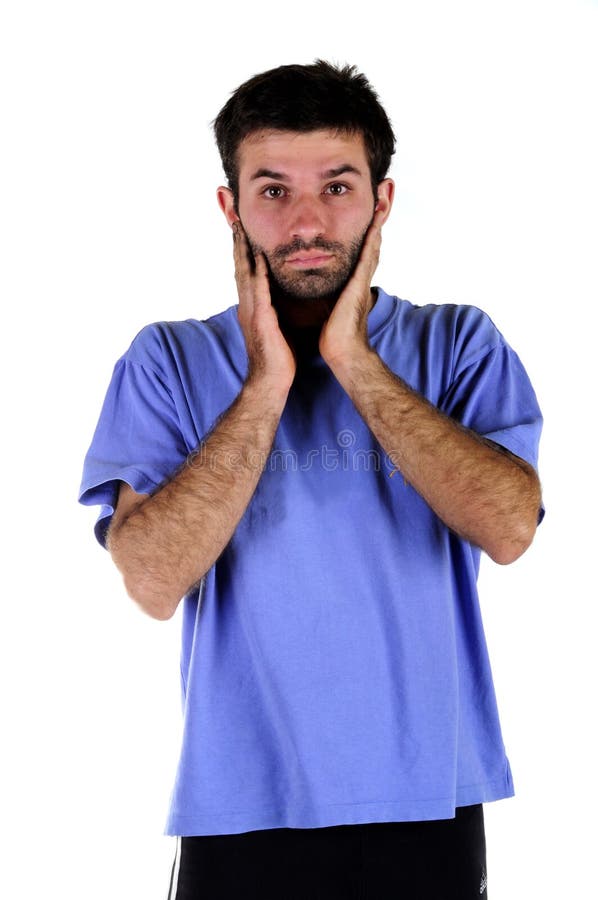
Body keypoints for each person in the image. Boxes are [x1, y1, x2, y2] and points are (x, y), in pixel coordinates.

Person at [78, 60, 544, 899]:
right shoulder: (168, 361)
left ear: (382, 201)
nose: (306, 223)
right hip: (241, 808)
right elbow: (150, 579)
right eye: (272, 190)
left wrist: (353, 359)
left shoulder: (461, 343)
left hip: (429, 800)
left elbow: (511, 528)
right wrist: (266, 383)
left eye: (336, 187)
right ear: (230, 207)